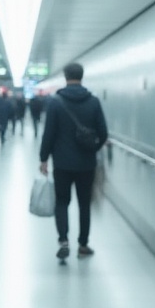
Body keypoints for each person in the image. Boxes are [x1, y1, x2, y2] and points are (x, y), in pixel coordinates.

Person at [39, 62, 108, 262]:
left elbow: (48, 134)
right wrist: (92, 150)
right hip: (86, 164)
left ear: (66, 76)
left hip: (61, 163)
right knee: (84, 203)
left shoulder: (56, 102)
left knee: (62, 201)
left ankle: (63, 241)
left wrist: (44, 159)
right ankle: (83, 245)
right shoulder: (93, 102)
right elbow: (103, 133)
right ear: (82, 76)